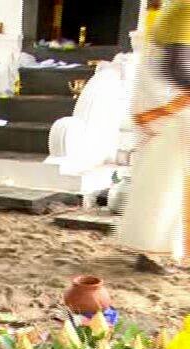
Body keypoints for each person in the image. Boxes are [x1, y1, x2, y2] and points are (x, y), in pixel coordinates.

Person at [116, 0, 190, 272]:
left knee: (163, 184)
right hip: (168, 111)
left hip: (165, 110)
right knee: (164, 186)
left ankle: (157, 252)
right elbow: (176, 68)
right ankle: (150, 254)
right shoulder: (183, 10)